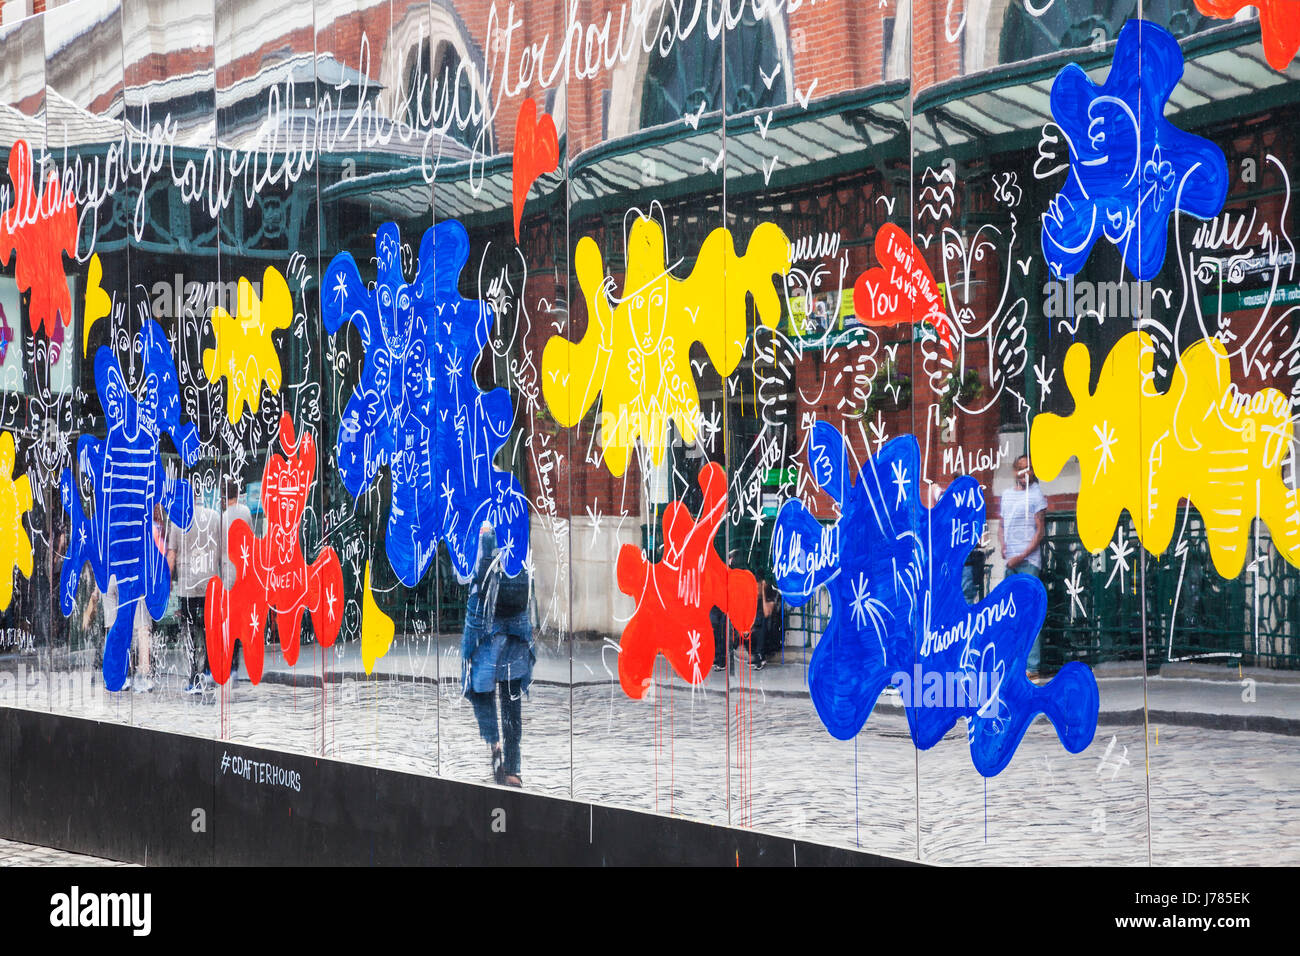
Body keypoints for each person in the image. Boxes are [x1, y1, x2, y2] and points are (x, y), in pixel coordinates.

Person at [461, 524, 533, 787]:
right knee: (512, 695)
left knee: (479, 685)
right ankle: (513, 769)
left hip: (485, 618)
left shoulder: (477, 517)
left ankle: (495, 746)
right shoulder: (515, 516)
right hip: (517, 616)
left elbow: (466, 574)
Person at [168, 484, 221, 693]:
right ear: (199, 496)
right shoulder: (214, 517)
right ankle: (208, 670)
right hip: (209, 583)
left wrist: (166, 580)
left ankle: (194, 676)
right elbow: (221, 549)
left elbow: (171, 555)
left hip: (187, 587)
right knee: (209, 629)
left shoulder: (177, 521)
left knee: (189, 631)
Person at [999, 454, 1048, 678]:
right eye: (1019, 468)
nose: (1023, 472)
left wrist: (1021, 555)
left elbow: (1040, 531)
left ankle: (1032, 666)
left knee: (1029, 612)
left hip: (1028, 561)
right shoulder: (1007, 496)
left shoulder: (1036, 495)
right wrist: (1002, 545)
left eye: (1027, 468)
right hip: (1010, 561)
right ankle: (1014, 663)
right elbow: (1001, 525)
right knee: (1011, 615)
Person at [220, 478, 252, 681]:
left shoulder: (223, 517)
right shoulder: (246, 512)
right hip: (244, 570)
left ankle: (230, 664)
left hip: (228, 574)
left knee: (229, 620)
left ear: (224, 496)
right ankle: (239, 662)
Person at [750, 576, 784, 670]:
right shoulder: (756, 597)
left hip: (772, 634)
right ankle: (756, 654)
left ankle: (760, 656)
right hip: (761, 631)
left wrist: (763, 594)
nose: (757, 591)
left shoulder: (772, 595)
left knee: (762, 621)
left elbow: (766, 613)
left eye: (758, 588)